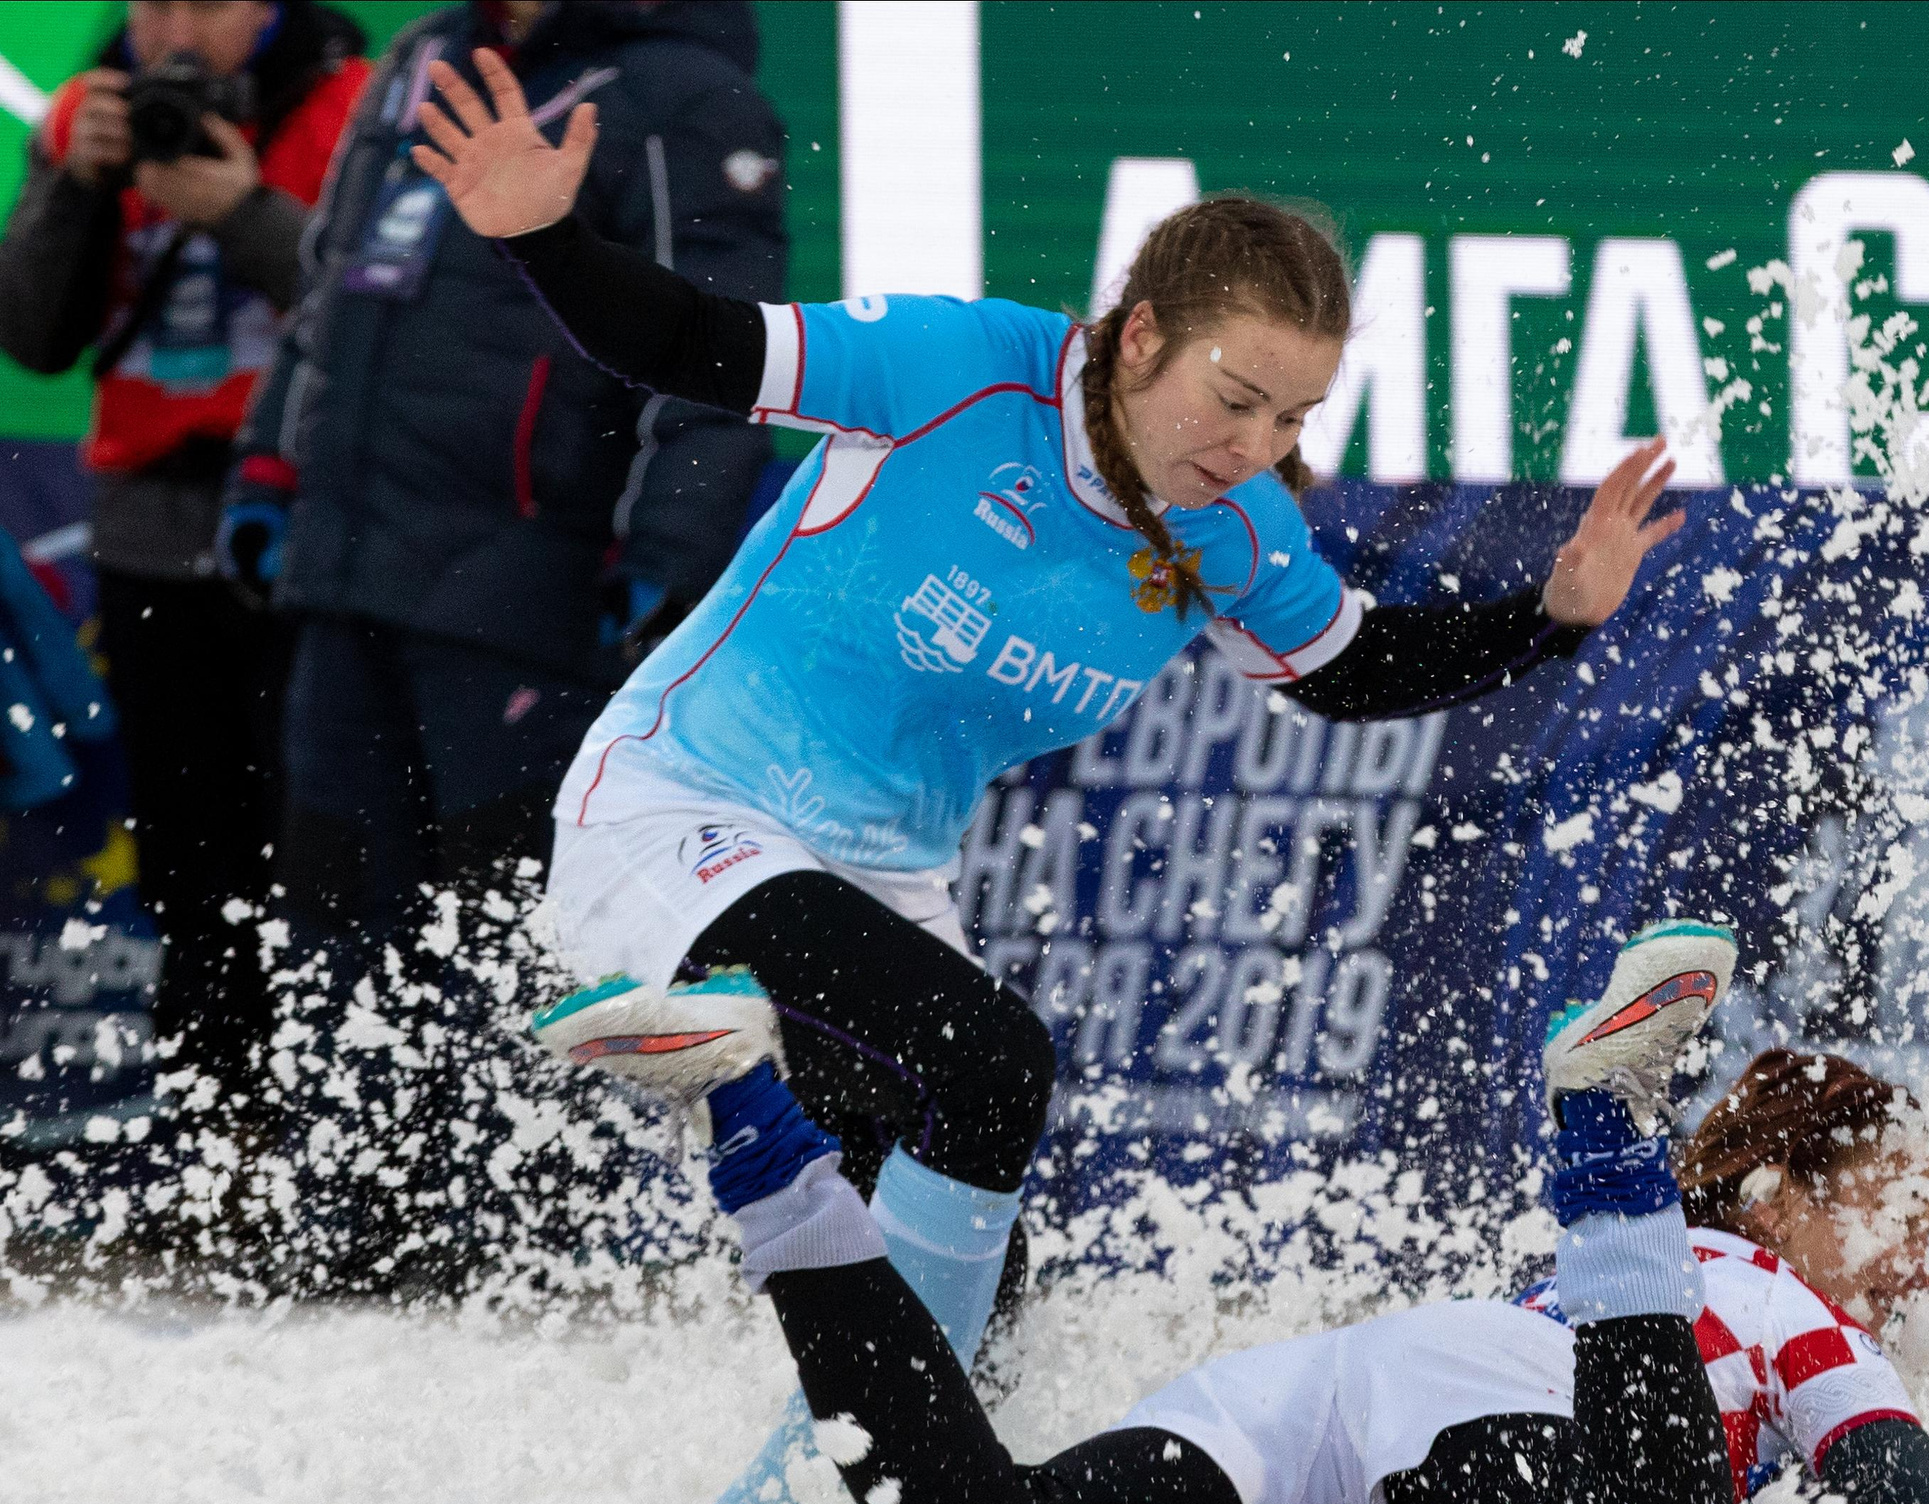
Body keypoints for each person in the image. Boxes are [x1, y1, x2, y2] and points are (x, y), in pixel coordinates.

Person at [419, 46, 1692, 1372]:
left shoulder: (1239, 526)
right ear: (1138, 333)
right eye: (1234, 396)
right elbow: (696, 343)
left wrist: (1552, 615)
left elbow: (1347, 670)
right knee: (991, 1060)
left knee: (985, 1245)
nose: (1254, 445)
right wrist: (548, 241)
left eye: (1293, 416)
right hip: (680, 804)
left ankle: (828, 1480)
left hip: (873, 869)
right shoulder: (960, 368)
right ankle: (734, 1087)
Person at [551, 920, 1929, 1504]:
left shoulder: (1617, 1291)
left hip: (1323, 1415)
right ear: (1781, 1192)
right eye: (1902, 1211)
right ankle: (1600, 1122)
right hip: (1484, 1429)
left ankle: (751, 1119)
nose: (1919, 1261)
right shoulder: (1779, 1297)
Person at [222, 1, 785, 950]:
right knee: (332, 940)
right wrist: (269, 470)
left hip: (528, 599)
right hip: (347, 573)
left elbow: (720, 363)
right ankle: (342, 1109)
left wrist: (668, 560)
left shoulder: (690, 98)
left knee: (514, 951)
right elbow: (335, 283)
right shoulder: (427, 53)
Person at [0, 0, 369, 1068]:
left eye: (206, 4)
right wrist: (75, 182)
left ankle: (331, 1115)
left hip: (309, 527)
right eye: (152, 1)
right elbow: (31, 335)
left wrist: (245, 212)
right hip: (147, 532)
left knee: (322, 841)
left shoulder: (356, 104)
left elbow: (393, 313)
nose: (171, 31)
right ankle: (224, 1111)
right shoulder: (90, 113)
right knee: (185, 846)